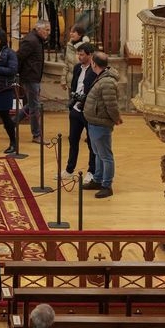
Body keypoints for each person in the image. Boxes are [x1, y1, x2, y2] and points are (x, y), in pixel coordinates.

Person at [83, 51, 123, 199]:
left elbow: (111, 105)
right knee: (98, 153)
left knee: (105, 156)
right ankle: (97, 180)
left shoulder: (107, 81)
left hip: (101, 124)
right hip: (95, 122)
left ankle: (106, 185)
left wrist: (117, 118)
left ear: (94, 63)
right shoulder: (103, 77)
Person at [58, 42, 97, 184]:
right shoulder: (76, 68)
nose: (79, 57)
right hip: (75, 109)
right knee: (73, 140)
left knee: (91, 143)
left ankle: (91, 171)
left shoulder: (94, 70)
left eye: (81, 54)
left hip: (88, 111)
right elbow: (74, 85)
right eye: (78, 54)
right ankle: (69, 169)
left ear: (90, 55)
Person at [13, 20, 49, 144]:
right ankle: (36, 135)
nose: (48, 33)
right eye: (47, 30)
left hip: (34, 77)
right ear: (39, 29)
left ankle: (12, 122)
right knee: (35, 107)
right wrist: (19, 73)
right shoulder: (31, 40)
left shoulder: (37, 40)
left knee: (33, 104)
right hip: (30, 77)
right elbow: (19, 57)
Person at [61, 24, 91, 91]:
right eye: (70, 32)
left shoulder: (86, 46)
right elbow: (66, 63)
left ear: (80, 34)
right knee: (71, 101)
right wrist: (63, 79)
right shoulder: (69, 45)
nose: (71, 34)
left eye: (73, 32)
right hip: (71, 82)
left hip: (83, 81)